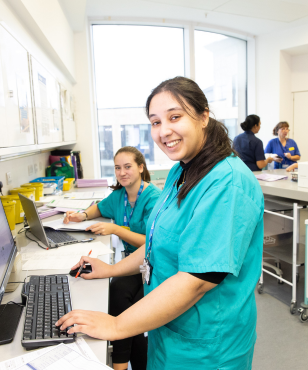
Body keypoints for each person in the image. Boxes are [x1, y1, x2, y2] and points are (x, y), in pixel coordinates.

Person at [57, 77, 264, 370]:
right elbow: (158, 243)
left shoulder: (227, 184)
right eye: (155, 122)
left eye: (175, 117)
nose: (164, 131)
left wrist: (116, 326)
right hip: (167, 329)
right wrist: (113, 270)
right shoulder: (181, 171)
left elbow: (196, 281)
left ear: (204, 116)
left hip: (207, 346)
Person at [63, 146, 161, 370]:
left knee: (119, 295)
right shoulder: (120, 196)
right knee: (124, 302)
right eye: (118, 168)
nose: (122, 172)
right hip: (132, 263)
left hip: (151, 264)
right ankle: (127, 364)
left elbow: (151, 244)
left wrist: (116, 229)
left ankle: (119, 364)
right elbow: (99, 208)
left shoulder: (153, 198)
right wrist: (82, 215)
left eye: (128, 167)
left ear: (141, 167)